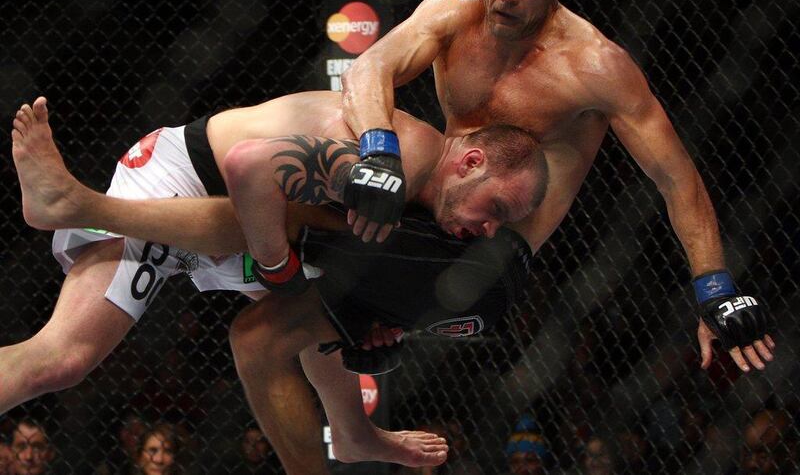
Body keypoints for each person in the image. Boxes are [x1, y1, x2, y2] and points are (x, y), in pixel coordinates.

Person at [337, 0, 773, 373]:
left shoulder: (595, 66)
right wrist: (378, 155)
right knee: (265, 325)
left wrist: (716, 290)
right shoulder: (452, 13)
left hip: (491, 255)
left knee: (307, 267)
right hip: (432, 212)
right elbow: (370, 67)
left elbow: (675, 179)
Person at [10, 94, 546, 472]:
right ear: (470, 162)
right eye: (495, 209)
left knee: (323, 305)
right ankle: (75, 203)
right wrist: (277, 268)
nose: (489, 230)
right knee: (63, 360)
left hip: (240, 225)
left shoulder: (424, 208)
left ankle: (352, 435)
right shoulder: (401, 159)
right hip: (183, 183)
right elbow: (251, 165)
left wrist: (368, 323)